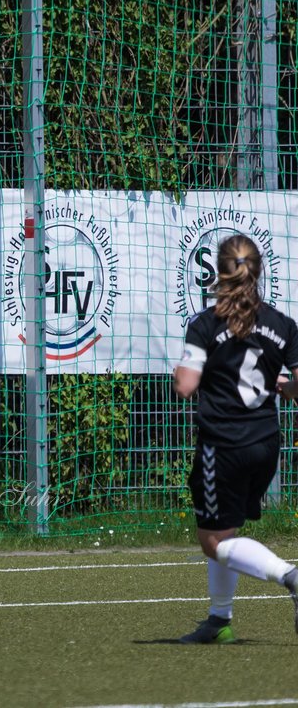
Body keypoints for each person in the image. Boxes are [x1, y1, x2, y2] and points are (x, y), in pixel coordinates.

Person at [173, 234, 298, 644]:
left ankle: (290, 575)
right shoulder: (282, 324)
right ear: (257, 272)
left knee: (212, 541)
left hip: (222, 447)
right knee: (225, 530)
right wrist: (285, 387)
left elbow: (186, 386)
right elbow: (295, 383)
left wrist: (189, 369)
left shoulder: (206, 324)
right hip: (265, 445)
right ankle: (218, 620)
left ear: (218, 274)